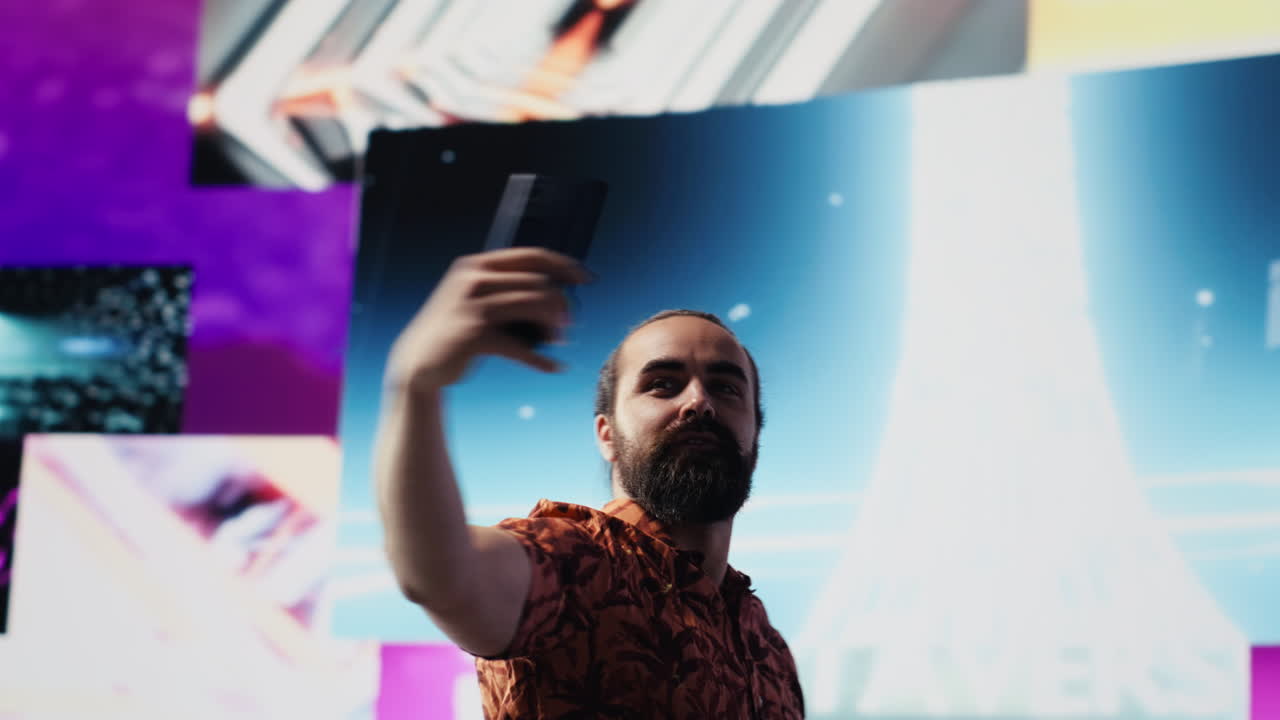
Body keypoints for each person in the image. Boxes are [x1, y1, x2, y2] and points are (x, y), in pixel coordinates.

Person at [376, 247, 804, 718]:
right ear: (607, 434)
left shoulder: (765, 643)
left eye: (725, 387)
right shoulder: (578, 564)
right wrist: (414, 387)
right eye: (663, 383)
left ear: (754, 436)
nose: (698, 402)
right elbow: (443, 575)